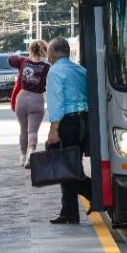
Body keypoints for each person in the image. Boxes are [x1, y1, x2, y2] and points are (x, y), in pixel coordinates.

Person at [45, 37, 92, 224]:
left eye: (49, 52)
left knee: (66, 167)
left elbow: (56, 102)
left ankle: (93, 192)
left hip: (68, 123)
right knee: (72, 164)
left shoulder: (55, 72)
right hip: (84, 121)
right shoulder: (80, 70)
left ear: (54, 53)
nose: (47, 55)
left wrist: (53, 130)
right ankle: (69, 212)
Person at [8, 40, 50, 167]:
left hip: (21, 98)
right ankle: (31, 153)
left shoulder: (23, 62)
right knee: (32, 131)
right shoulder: (47, 67)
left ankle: (22, 156)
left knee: (23, 130)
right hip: (37, 99)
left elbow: (10, 59)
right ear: (44, 50)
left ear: (31, 50)